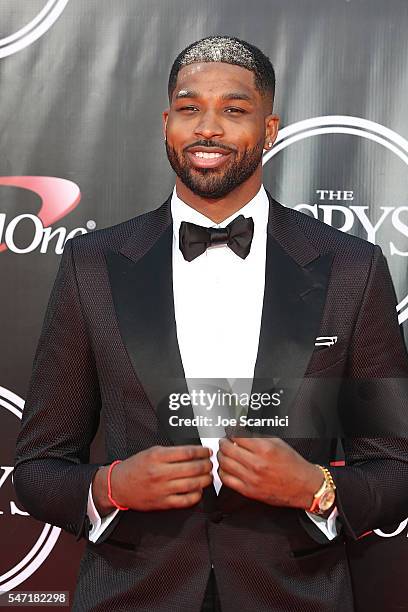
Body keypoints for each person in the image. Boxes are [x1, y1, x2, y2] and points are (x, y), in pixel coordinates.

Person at [14, 36, 408, 612]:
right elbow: (36, 468)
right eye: (190, 107)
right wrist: (109, 487)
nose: (209, 128)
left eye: (234, 109)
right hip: (131, 593)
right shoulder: (92, 264)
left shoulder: (351, 267)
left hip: (295, 594)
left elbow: (396, 468)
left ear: (270, 129)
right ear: (166, 123)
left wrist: (315, 488)